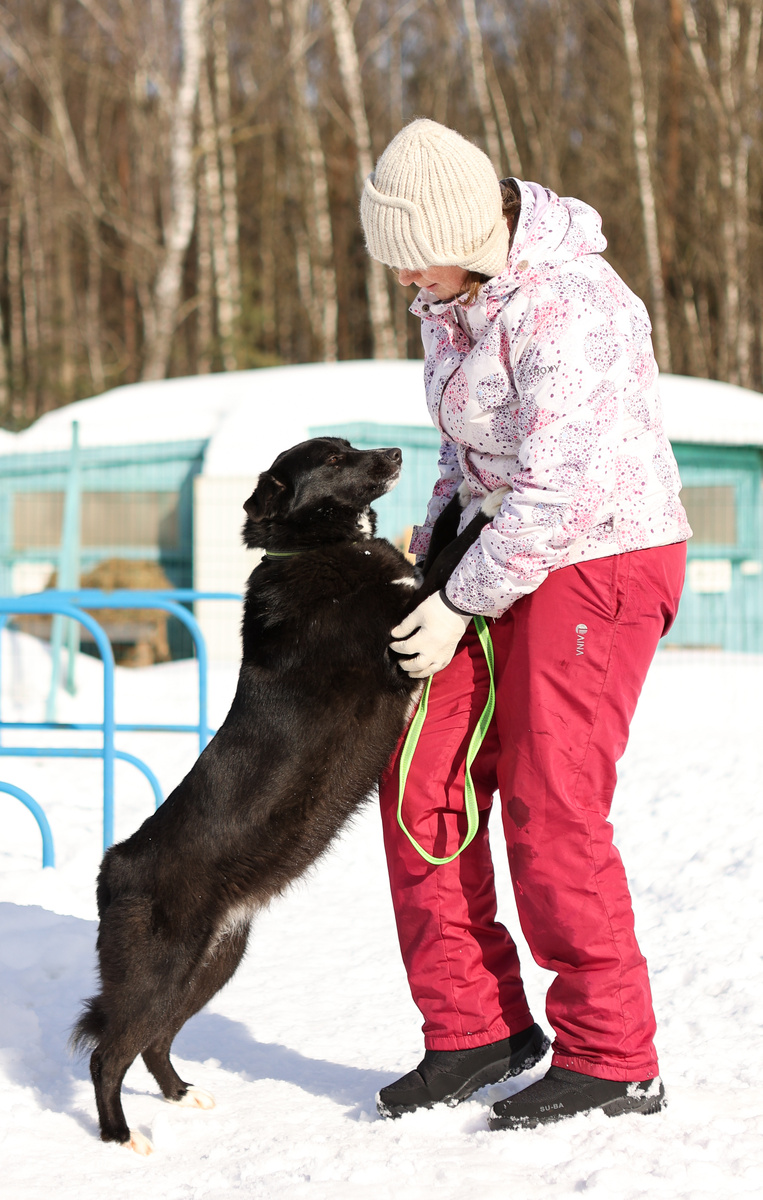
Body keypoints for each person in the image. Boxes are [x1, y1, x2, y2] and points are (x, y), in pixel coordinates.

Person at [359, 119, 690, 1130]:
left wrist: (464, 600)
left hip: (601, 555)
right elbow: (467, 457)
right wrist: (429, 572)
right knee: (419, 774)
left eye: (413, 251)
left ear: (462, 224)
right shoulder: (446, 296)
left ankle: (611, 1054)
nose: (406, 278)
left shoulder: (574, 303)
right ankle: (474, 1029)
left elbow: (563, 491)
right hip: (494, 549)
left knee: (551, 798)